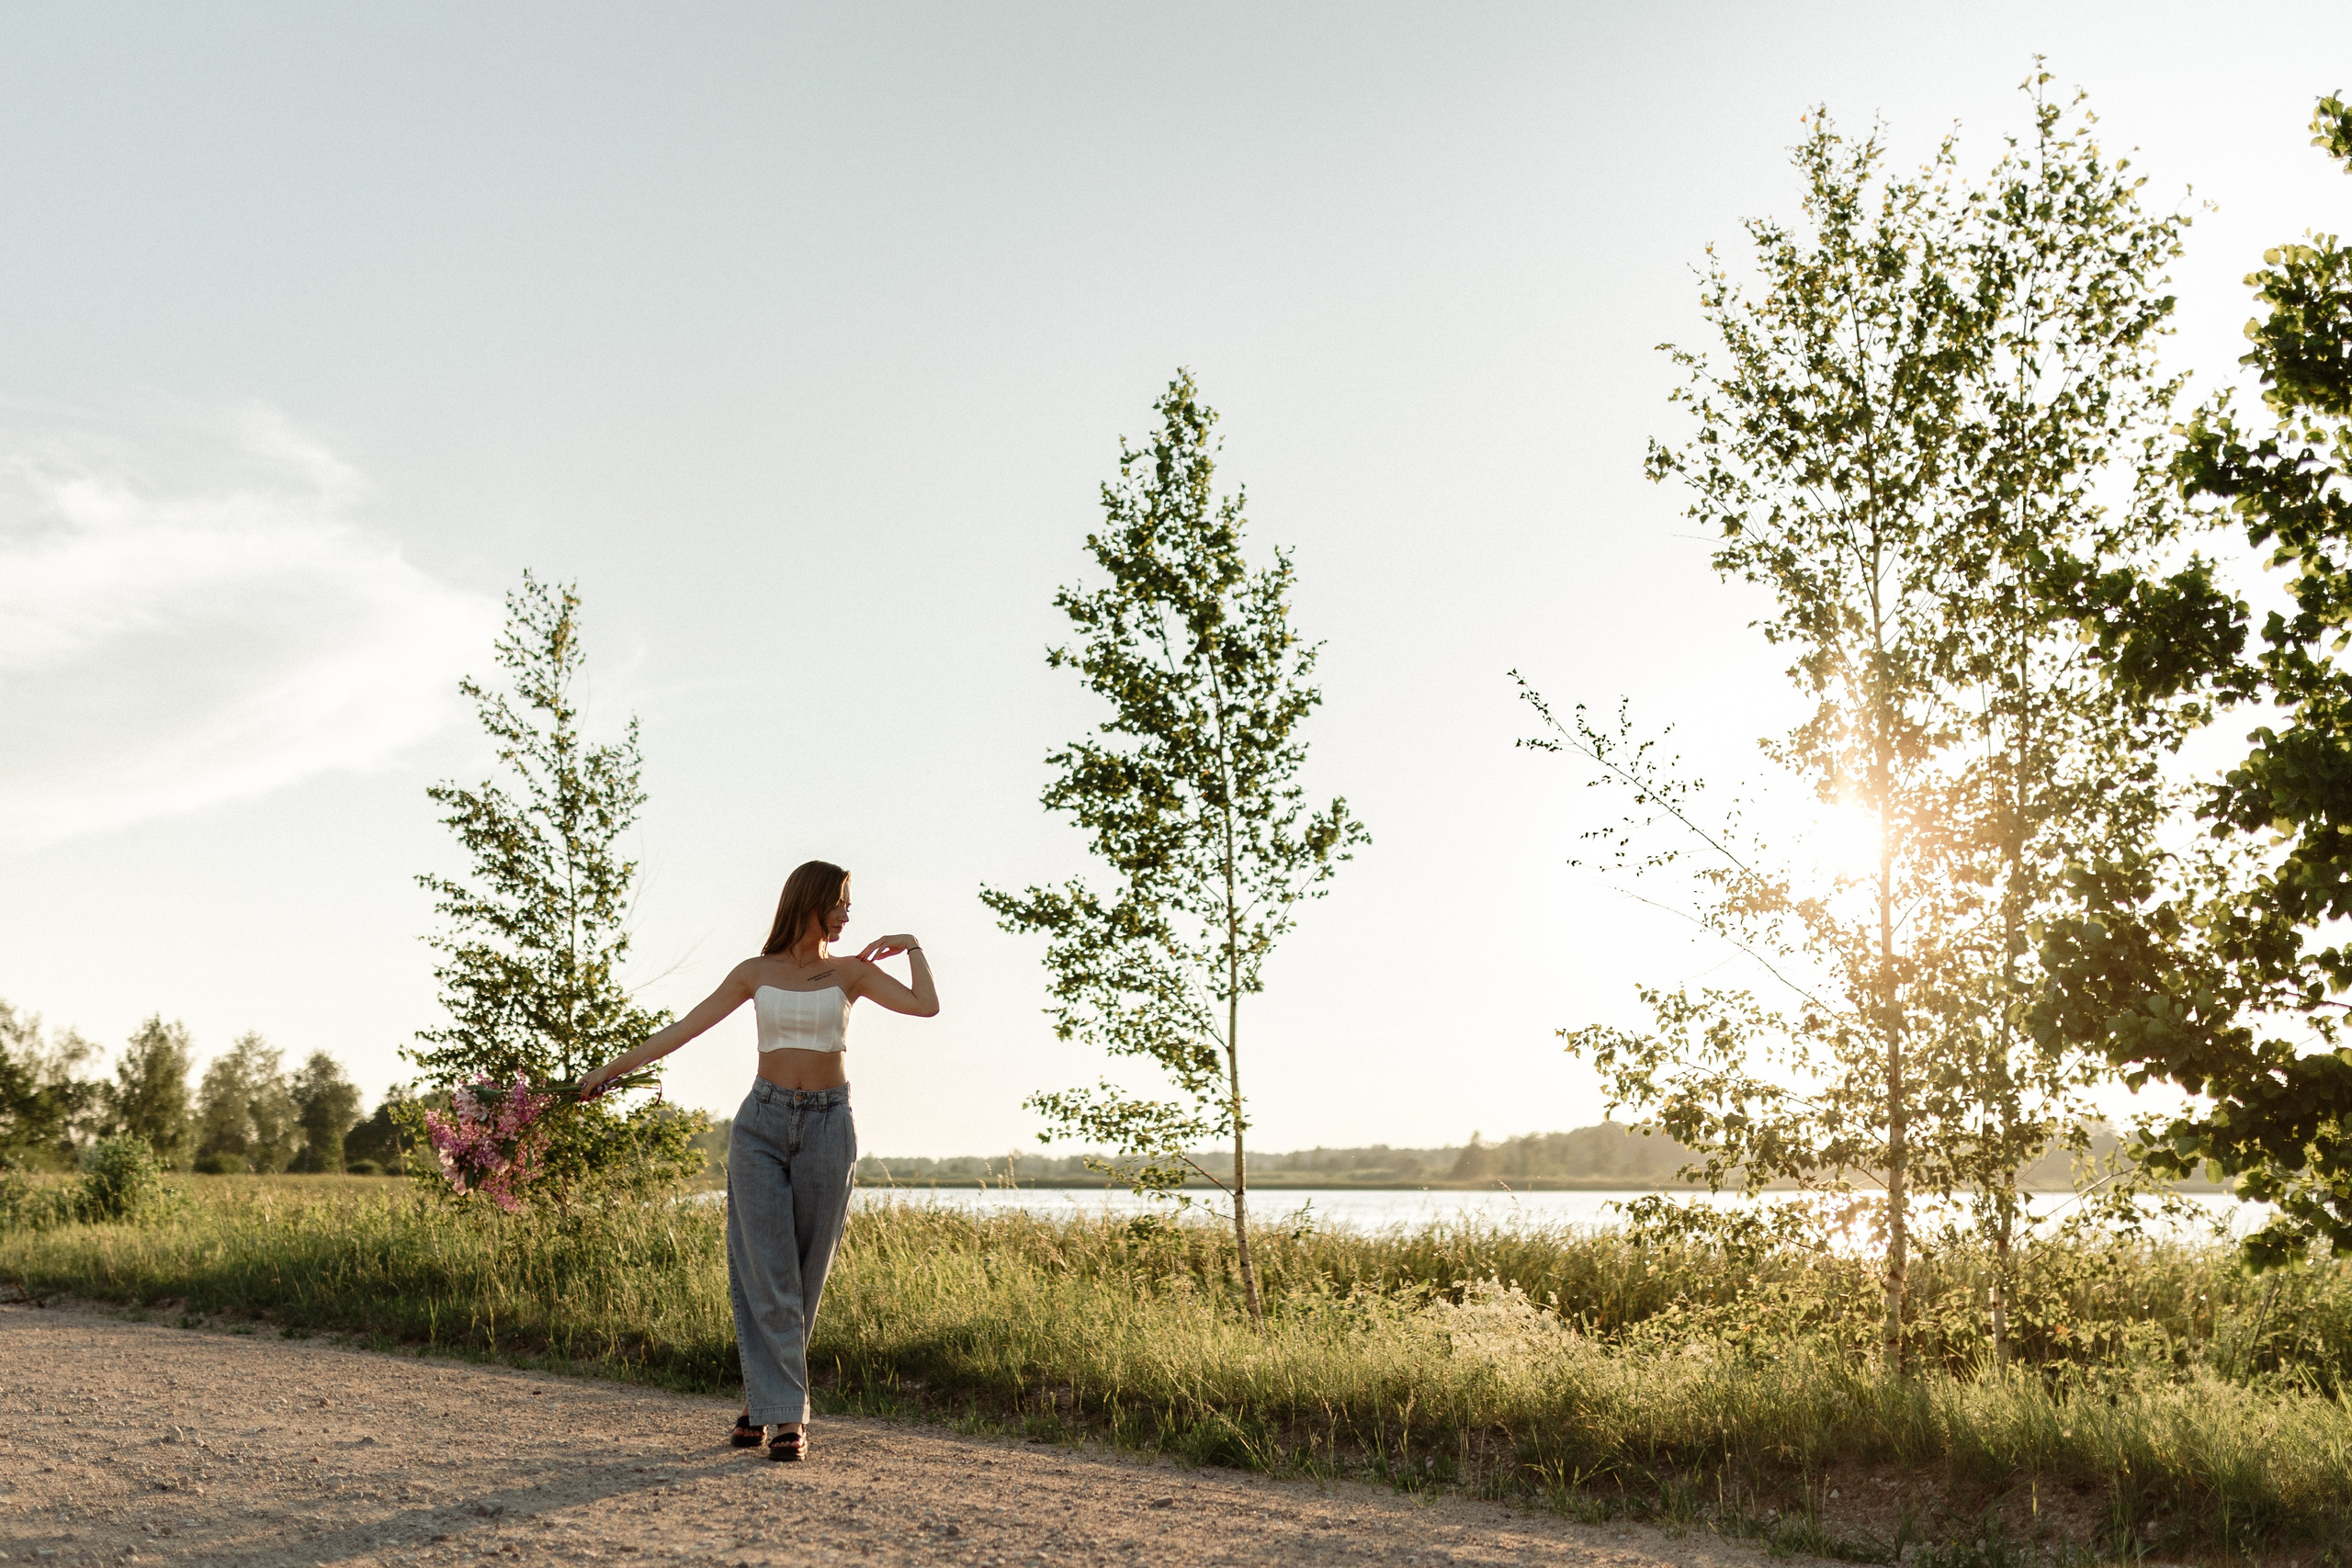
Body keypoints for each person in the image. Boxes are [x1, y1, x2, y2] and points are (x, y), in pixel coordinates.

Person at [578, 859, 937, 1461]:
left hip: (828, 1126)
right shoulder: (755, 971)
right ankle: (789, 1421)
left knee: (803, 1274)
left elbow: (926, 1005)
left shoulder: (852, 973)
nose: (849, 913)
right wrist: (611, 1070)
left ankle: (761, 1406)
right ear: (814, 900)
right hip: (761, 1126)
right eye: (842, 901)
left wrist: (914, 945)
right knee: (764, 1271)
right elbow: (685, 1027)